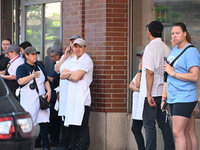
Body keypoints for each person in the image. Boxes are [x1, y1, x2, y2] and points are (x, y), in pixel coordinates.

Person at [162, 22, 200, 150]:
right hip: (174, 96)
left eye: (177, 33)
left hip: (184, 96)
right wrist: (165, 97)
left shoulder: (191, 51)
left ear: (185, 34)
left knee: (178, 133)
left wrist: (173, 72)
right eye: (172, 33)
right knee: (187, 131)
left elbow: (195, 76)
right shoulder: (174, 50)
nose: (174, 36)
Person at [138, 20, 175, 150]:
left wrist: (148, 94)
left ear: (149, 32)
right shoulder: (166, 48)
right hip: (163, 91)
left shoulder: (150, 48)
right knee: (164, 124)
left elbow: (149, 72)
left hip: (152, 92)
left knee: (149, 124)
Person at [60, 38, 93, 150]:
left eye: (80, 46)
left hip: (82, 98)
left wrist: (70, 75)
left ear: (85, 48)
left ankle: (83, 147)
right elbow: (61, 75)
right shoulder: (73, 60)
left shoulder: (86, 60)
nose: (77, 49)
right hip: (71, 98)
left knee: (82, 126)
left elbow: (75, 77)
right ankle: (74, 147)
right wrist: (71, 73)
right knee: (73, 125)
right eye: (75, 46)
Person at [16, 47, 51, 150]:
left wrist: (49, 91)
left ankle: (45, 145)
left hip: (41, 99)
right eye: (32, 54)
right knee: (27, 124)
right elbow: (20, 81)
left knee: (44, 122)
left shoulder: (39, 65)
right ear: (26, 55)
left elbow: (45, 81)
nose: (35, 56)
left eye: (36, 54)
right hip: (29, 100)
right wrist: (32, 76)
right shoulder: (22, 68)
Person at [53, 34, 81, 150]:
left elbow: (72, 74)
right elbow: (57, 69)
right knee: (64, 118)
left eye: (75, 43)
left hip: (72, 91)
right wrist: (65, 56)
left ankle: (71, 144)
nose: (72, 45)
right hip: (63, 92)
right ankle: (63, 143)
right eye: (71, 43)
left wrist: (66, 74)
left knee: (71, 119)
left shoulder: (79, 58)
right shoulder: (67, 58)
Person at [129, 50, 145, 150]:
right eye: (140, 57)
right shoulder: (140, 72)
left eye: (142, 57)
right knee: (135, 129)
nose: (141, 60)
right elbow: (131, 85)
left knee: (146, 129)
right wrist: (140, 89)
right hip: (137, 106)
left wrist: (139, 70)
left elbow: (137, 84)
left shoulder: (145, 71)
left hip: (144, 105)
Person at [47, 46, 62, 147]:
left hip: (58, 94)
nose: (51, 59)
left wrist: (49, 78)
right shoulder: (53, 64)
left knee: (56, 119)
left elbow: (57, 79)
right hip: (51, 95)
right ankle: (52, 138)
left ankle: (55, 139)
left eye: (53, 56)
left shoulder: (61, 64)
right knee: (52, 118)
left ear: (58, 56)